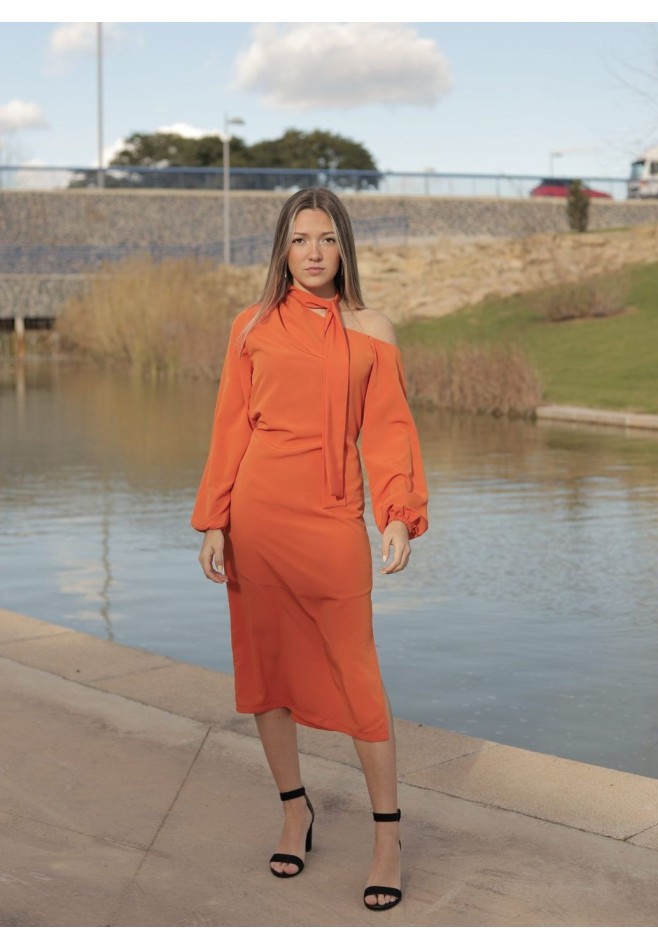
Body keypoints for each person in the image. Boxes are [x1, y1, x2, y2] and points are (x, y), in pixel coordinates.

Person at [192, 187, 428, 912]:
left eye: (326, 239)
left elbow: (388, 429)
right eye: (301, 240)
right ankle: (296, 809)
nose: (315, 252)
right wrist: (215, 519)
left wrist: (397, 512)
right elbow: (231, 425)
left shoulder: (373, 330)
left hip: (331, 518)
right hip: (258, 515)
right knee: (265, 670)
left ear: (344, 246)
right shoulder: (252, 325)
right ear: (283, 250)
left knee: (357, 674)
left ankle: (387, 834)